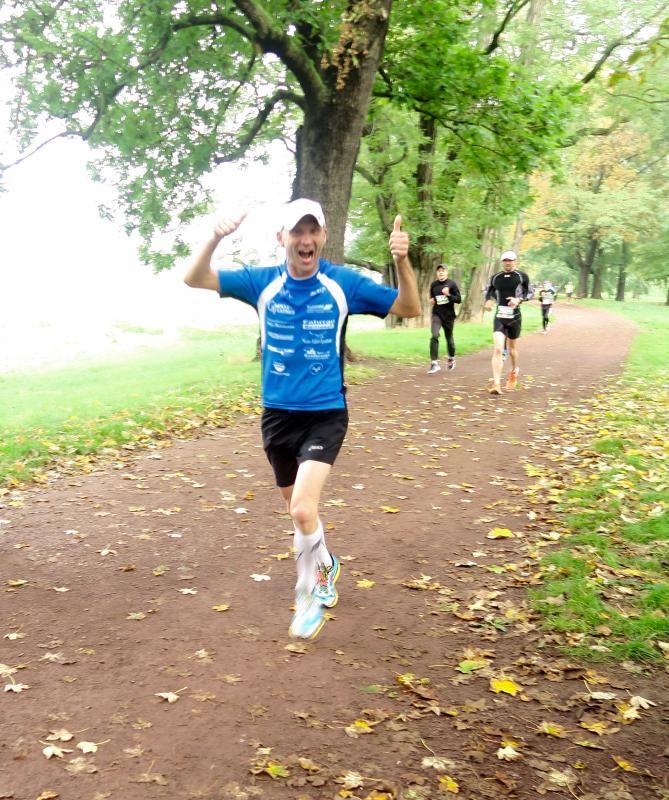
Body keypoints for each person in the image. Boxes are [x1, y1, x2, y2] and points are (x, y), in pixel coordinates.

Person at [184, 198, 420, 639]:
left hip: (325, 413)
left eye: (313, 231)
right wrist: (215, 236)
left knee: (302, 508)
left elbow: (409, 308)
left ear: (323, 237)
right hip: (276, 417)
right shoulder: (261, 282)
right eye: (297, 231)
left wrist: (402, 263)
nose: (305, 239)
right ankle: (325, 563)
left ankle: (308, 597)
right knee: (299, 517)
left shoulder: (343, 283)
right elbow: (194, 277)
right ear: (282, 238)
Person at [483, 250, 533, 395]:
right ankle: (496, 384)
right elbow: (489, 291)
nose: (507, 262)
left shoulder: (521, 276)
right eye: (505, 260)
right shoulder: (496, 277)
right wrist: (489, 301)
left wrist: (518, 300)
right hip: (500, 316)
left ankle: (514, 370)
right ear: (502, 262)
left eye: (510, 260)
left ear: (515, 261)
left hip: (514, 317)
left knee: (512, 350)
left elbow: (530, 292)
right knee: (498, 349)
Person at [427, 264, 461, 374]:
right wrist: (432, 300)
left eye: (443, 270)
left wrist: (448, 295)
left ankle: (451, 357)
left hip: (449, 316)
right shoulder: (433, 285)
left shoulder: (452, 284)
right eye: (439, 271)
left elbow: (458, 299)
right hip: (437, 314)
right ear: (437, 273)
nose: (441, 272)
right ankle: (434, 363)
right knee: (434, 335)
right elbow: (432, 297)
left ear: (446, 272)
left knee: (449, 339)